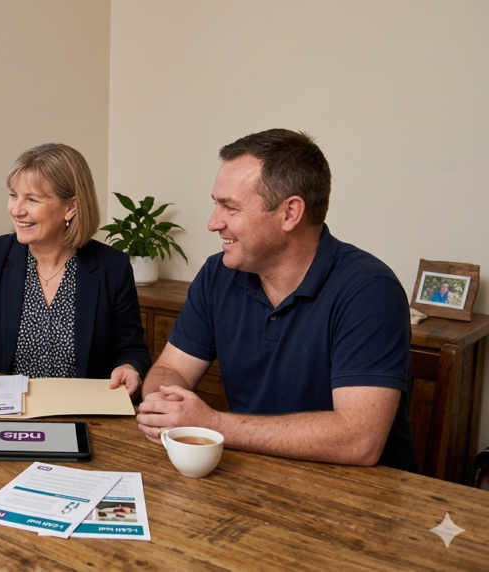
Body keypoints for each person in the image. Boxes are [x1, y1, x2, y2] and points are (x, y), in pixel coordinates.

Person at [136, 129, 416, 471]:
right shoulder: (217, 274)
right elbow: (171, 368)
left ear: (290, 213)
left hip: (356, 499)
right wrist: (165, 403)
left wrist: (215, 424)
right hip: (250, 475)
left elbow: (359, 440)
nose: (213, 222)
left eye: (231, 207)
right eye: (216, 203)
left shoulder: (370, 290)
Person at [0, 143, 151, 395]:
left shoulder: (113, 267)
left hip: (83, 413)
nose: (16, 210)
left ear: (71, 207)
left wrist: (129, 367)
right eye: (13, 195)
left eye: (32, 199)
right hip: (6, 411)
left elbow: (133, 351)